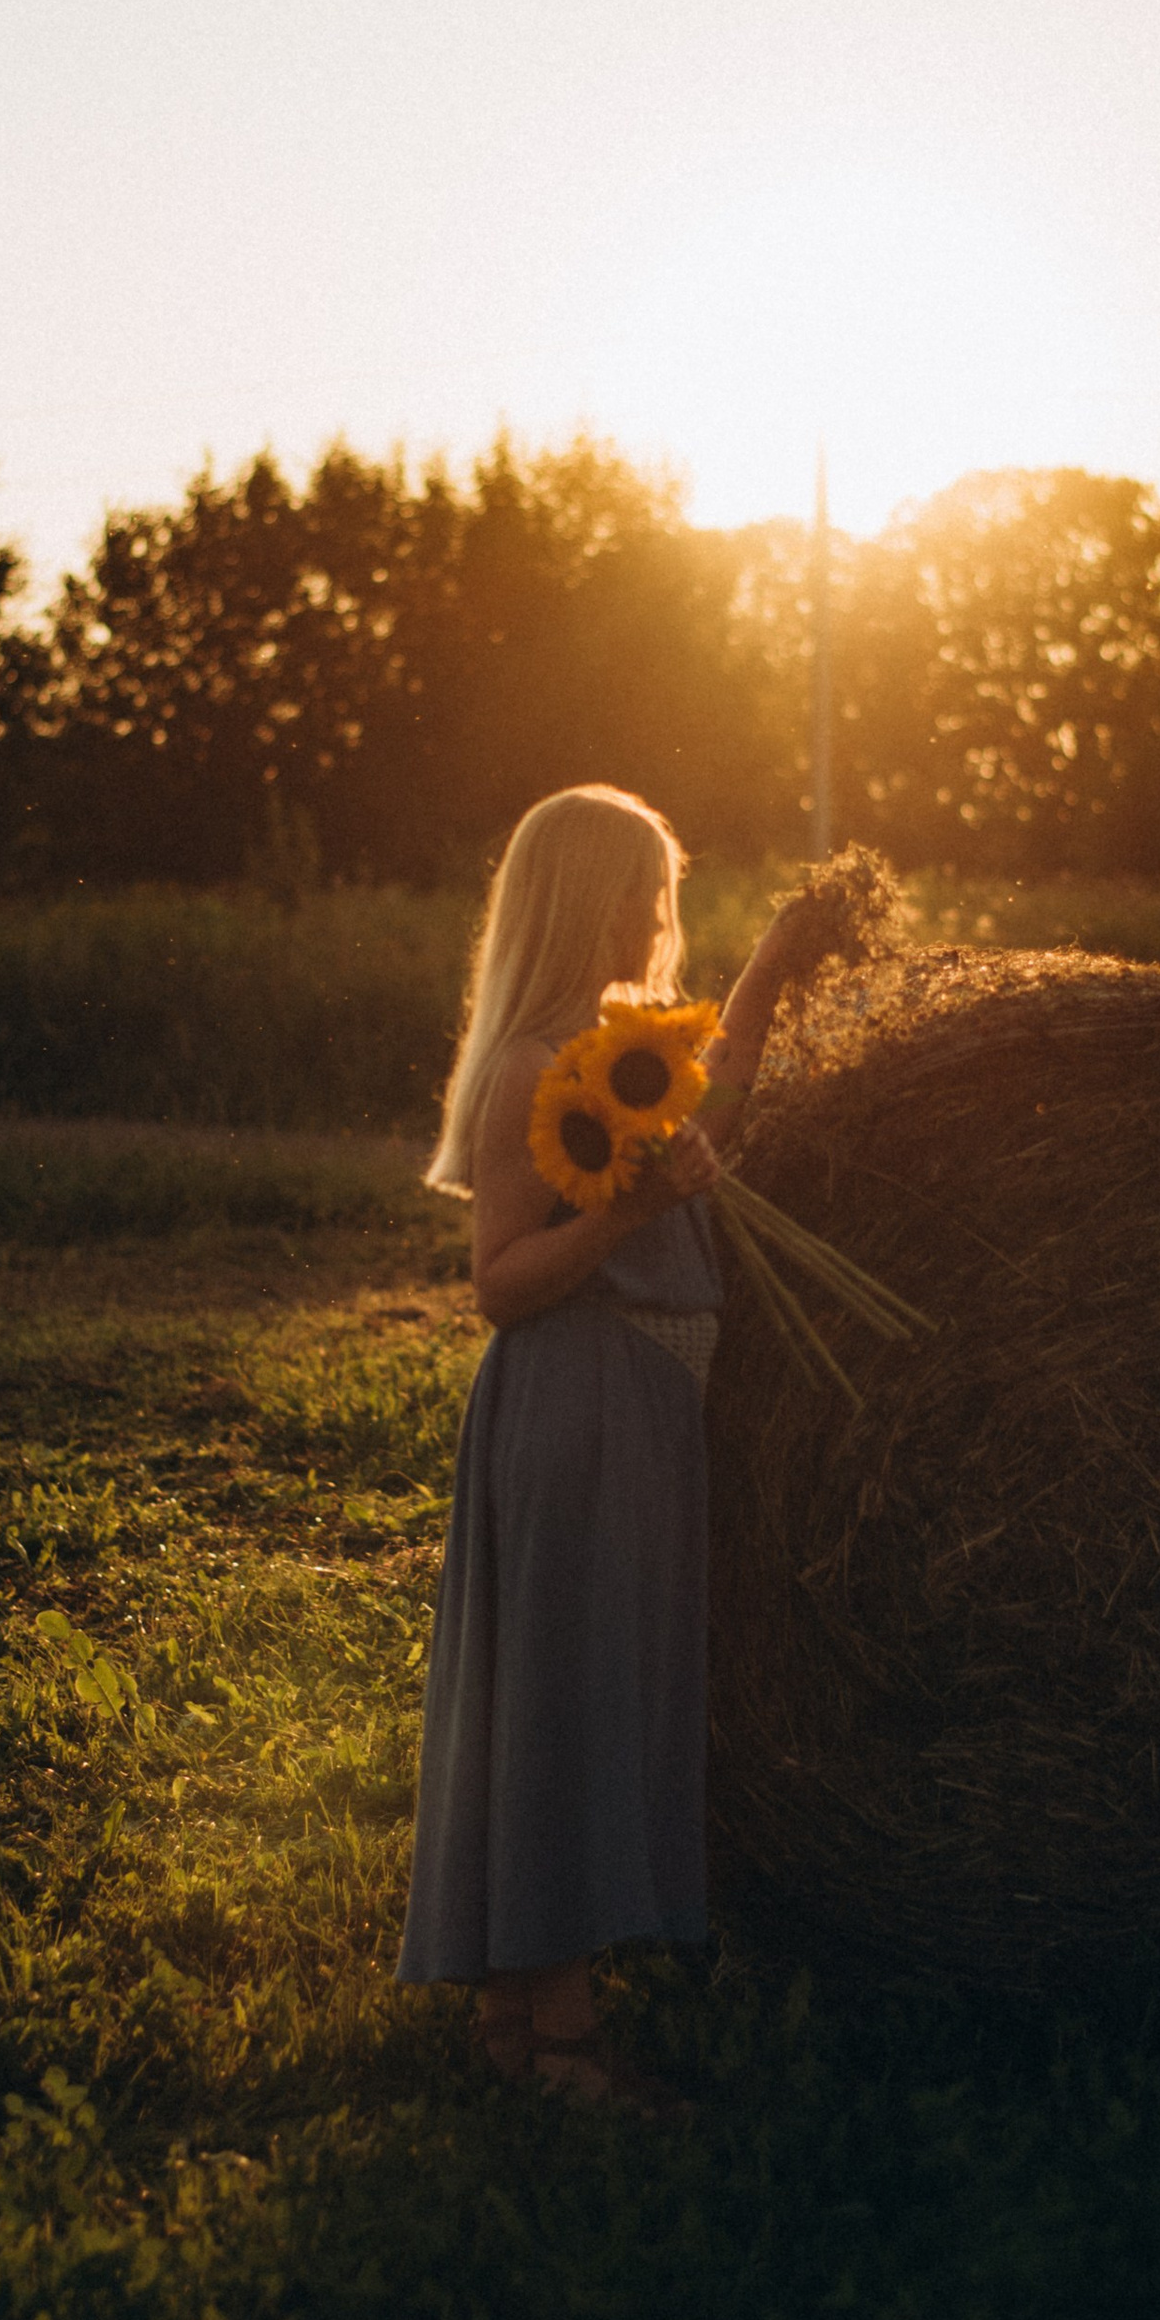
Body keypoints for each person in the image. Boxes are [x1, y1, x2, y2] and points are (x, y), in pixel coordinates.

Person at [397, 782, 809, 2102]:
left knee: (580, 1693)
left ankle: (512, 2020)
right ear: (590, 899)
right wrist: (628, 1215)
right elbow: (502, 1283)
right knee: (569, 1707)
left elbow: (711, 1114)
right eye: (644, 891)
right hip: (579, 1401)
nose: (658, 916)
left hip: (632, 1407)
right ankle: (566, 2045)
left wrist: (773, 966)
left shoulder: (617, 1050)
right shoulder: (533, 1068)